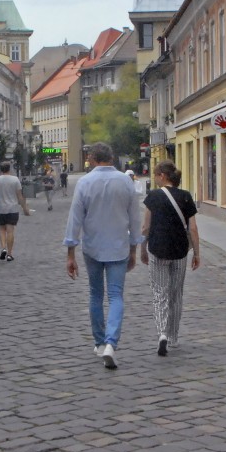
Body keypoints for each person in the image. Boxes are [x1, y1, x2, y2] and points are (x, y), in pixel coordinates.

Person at [64, 142, 143, 370]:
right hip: (118, 246)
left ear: (91, 158)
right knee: (116, 295)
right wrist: (134, 248)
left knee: (95, 294)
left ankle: (99, 342)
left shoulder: (85, 182)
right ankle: (111, 342)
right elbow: (135, 219)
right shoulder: (125, 182)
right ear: (111, 157)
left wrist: (71, 252)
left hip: (93, 247)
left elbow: (75, 219)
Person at [140, 160, 200, 356]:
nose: (155, 179)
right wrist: (197, 253)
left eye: (156, 175)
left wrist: (142, 248)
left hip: (157, 249)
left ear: (162, 176)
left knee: (160, 294)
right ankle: (173, 336)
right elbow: (192, 229)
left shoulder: (153, 197)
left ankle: (162, 333)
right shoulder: (185, 197)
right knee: (176, 294)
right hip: (180, 251)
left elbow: (145, 227)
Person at [0, 161, 31, 261]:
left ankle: (3, 248)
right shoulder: (15, 180)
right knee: (10, 231)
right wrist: (25, 208)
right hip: (12, 208)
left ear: (0, 170)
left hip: (1, 208)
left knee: (2, 229)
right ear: (9, 169)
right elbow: (20, 196)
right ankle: (9, 254)